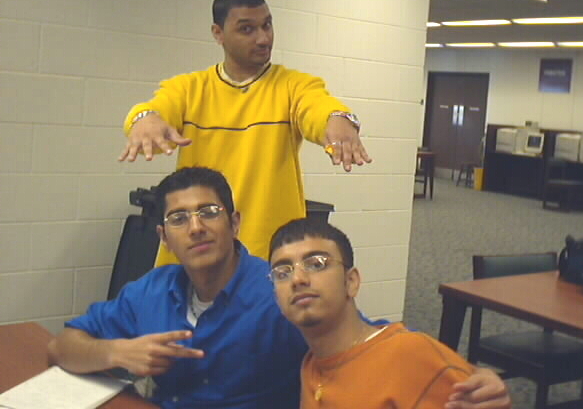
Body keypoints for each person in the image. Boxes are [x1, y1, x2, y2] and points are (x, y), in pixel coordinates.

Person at [48, 167, 509, 409]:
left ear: (234, 223)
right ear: (164, 236)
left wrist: (475, 382)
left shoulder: (278, 295)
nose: (196, 227)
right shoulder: (149, 291)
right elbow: (62, 346)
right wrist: (117, 353)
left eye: (208, 212)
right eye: (179, 218)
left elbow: (363, 344)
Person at [118, 0, 371, 263]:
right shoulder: (189, 89)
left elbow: (319, 107)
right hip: (197, 257)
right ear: (218, 33)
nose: (263, 38)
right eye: (247, 29)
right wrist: (145, 119)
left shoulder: (293, 86)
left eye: (267, 25)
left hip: (268, 257)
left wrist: (339, 119)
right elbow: (154, 110)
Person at [269, 218, 512, 409]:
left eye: (316, 264)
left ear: (351, 282)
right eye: (283, 273)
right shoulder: (311, 367)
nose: (298, 279)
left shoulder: (409, 355)